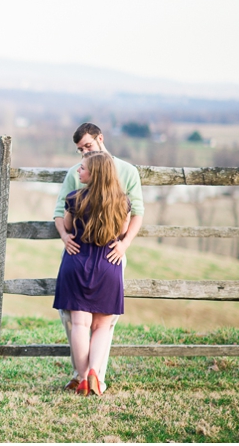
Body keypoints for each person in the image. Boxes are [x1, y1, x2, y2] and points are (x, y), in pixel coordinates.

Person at [53, 122, 144, 392]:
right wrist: (64, 237)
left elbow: (138, 214)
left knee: (87, 321)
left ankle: (92, 377)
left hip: (96, 256)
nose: (82, 156)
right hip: (102, 256)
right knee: (87, 321)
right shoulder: (79, 176)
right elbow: (126, 220)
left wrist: (124, 246)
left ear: (100, 138)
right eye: (80, 151)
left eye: (87, 147)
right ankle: (87, 375)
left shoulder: (127, 171)